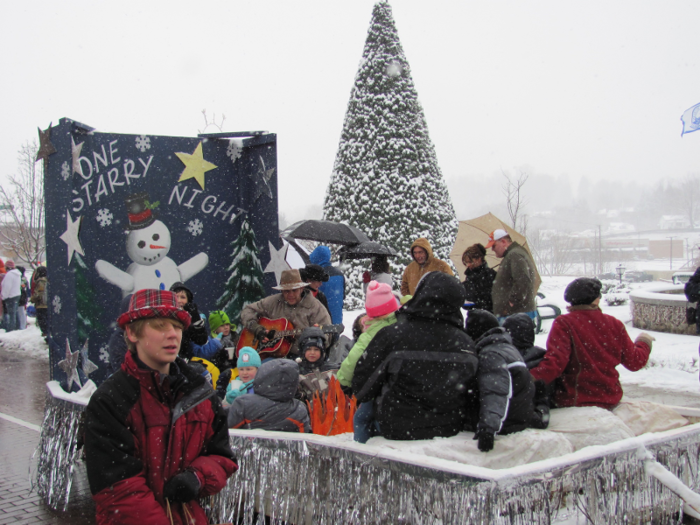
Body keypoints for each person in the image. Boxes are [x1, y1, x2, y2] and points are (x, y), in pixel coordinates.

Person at [83, 289, 237, 524]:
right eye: (160, 326)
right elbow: (119, 491)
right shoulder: (110, 400)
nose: (172, 335)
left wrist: (198, 477)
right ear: (132, 333)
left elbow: (221, 456)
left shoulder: (200, 392)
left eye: (176, 327)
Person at [353, 272, 479, 441]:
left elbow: (362, 388)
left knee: (362, 416)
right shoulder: (467, 344)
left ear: (420, 294)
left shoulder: (392, 336)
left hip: (395, 429)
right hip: (449, 430)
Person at [530, 277, 654, 409]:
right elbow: (635, 362)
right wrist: (644, 341)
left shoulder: (564, 323)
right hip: (610, 399)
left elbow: (555, 363)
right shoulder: (614, 324)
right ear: (596, 300)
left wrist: (528, 378)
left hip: (574, 400)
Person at [465, 309, 544, 452]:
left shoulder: (490, 355)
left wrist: (488, 429)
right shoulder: (506, 348)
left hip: (506, 423)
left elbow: (495, 391)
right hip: (519, 418)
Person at [338, 281, 399, 443]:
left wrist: (343, 380)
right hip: (398, 385)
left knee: (361, 419)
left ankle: (360, 449)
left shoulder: (371, 332)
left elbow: (353, 360)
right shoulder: (401, 324)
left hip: (375, 387)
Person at [240, 269, 332, 356]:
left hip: (302, 357)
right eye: (286, 291)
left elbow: (327, 336)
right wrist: (256, 329)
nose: (290, 294)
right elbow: (248, 310)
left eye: (294, 290)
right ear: (281, 291)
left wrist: (313, 342)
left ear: (301, 288)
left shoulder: (315, 307)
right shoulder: (273, 302)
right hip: (270, 355)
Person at [228, 359, 311, 432]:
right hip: (286, 449)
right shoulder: (298, 409)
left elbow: (227, 431)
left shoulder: (243, 404)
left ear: (261, 377)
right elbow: (304, 439)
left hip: (245, 448)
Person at [487, 229, 538, 321]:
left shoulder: (514, 255)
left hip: (515, 314)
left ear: (503, 242)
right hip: (514, 313)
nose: (492, 249)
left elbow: (523, 280)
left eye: (494, 246)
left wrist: (512, 301)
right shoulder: (513, 254)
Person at [169, 282, 221, 361]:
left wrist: (196, 320)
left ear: (188, 301)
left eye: (183, 297)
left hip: (186, 363)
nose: (179, 300)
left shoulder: (190, 319)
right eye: (176, 297)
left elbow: (202, 340)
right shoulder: (165, 317)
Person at [295, 326, 340, 403]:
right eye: (308, 349)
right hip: (311, 411)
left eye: (316, 349)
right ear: (303, 351)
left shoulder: (334, 369)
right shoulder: (297, 373)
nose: (312, 353)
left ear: (322, 352)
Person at [309, 245, 345, 325]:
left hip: (321, 320)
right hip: (337, 320)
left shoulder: (315, 277)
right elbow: (343, 296)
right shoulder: (339, 274)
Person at [461, 243, 497, 312]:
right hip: (474, 316)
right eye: (466, 263)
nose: (468, 265)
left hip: (489, 315)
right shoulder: (469, 276)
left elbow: (489, 300)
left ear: (479, 258)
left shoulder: (491, 276)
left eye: (470, 262)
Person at [1, 260, 21, 332]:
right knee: (15, 313)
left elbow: (7, 287)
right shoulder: (17, 274)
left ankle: (11, 329)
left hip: (10, 296)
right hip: (17, 295)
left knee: (11, 314)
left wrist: (4, 296)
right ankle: (18, 327)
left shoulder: (9, 275)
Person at [30, 266, 48, 338]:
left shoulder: (41, 281)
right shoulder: (47, 280)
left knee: (42, 320)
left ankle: (46, 334)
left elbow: (39, 293)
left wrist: (33, 299)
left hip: (41, 304)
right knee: (46, 320)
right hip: (46, 303)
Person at [15, 266, 29, 330]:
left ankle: (22, 326)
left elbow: (22, 287)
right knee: (21, 311)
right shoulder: (24, 278)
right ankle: (22, 325)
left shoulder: (22, 278)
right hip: (23, 296)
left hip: (21, 296)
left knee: (21, 311)